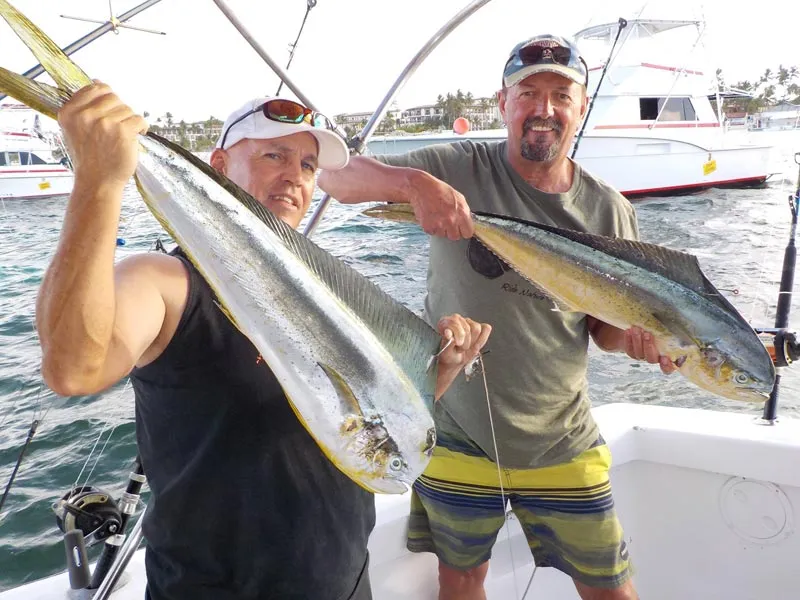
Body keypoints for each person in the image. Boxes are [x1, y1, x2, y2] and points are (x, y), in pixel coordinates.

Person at [35, 83, 492, 600]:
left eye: (306, 166)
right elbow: (72, 368)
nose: (293, 177)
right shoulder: (167, 282)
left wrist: (445, 367)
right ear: (220, 163)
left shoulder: (327, 297)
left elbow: (355, 421)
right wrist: (99, 180)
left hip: (347, 584)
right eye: (274, 154)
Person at [318, 34, 677, 600]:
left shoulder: (609, 209)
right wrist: (414, 184)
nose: (544, 109)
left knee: (610, 586)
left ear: (581, 106)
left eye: (561, 95)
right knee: (460, 578)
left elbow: (604, 329)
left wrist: (639, 341)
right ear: (502, 103)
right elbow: (333, 178)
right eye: (528, 92)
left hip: (562, 436)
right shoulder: (455, 166)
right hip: (457, 426)